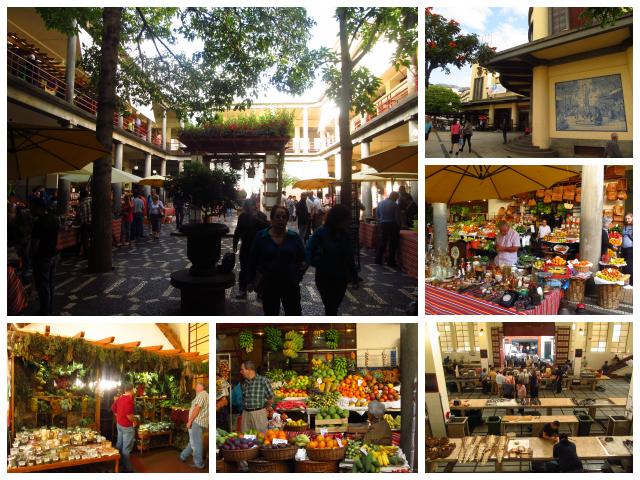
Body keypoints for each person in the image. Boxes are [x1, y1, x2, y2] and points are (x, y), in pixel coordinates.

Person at [248, 205, 306, 315]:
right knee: (271, 314)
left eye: (284, 217)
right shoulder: (261, 236)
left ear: (287, 220)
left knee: (294, 313)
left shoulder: (294, 237)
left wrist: (297, 276)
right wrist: (250, 280)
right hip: (269, 285)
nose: (281, 219)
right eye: (277, 216)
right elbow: (252, 259)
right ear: (271, 218)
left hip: (290, 285)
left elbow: (302, 260)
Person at [306, 204, 359, 315]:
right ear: (339, 219)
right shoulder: (321, 232)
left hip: (341, 277)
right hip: (324, 276)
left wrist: (354, 276)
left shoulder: (345, 234)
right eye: (347, 219)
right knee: (330, 305)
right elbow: (308, 251)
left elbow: (350, 257)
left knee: (334, 305)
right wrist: (317, 262)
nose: (349, 222)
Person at [233, 199, 269, 299]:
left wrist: (256, 219)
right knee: (244, 268)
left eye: (249, 206)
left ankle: (260, 290)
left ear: (254, 206)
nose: (247, 208)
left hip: (259, 248)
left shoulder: (261, 215)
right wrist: (235, 243)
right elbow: (238, 230)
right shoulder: (242, 216)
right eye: (246, 206)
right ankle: (242, 289)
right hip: (246, 246)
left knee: (259, 269)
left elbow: (267, 227)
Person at [30, 197, 59, 315]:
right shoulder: (54, 218)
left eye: (32, 207)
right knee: (50, 285)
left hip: (42, 257)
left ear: (39, 208)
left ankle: (45, 311)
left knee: (43, 286)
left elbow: (35, 242)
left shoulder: (39, 222)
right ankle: (49, 309)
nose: (30, 210)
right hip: (53, 255)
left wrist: (32, 255)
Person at [180, 382, 208, 469]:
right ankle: (183, 456)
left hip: (197, 422)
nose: (195, 388)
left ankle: (198, 464)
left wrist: (190, 421)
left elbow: (197, 408)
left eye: (196, 386)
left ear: (200, 387)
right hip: (202, 422)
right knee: (193, 441)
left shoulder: (201, 395)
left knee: (197, 443)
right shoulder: (206, 395)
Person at [239, 361, 274, 432]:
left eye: (242, 369)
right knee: (245, 438)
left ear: (249, 370)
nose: (241, 372)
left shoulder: (263, 381)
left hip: (259, 413)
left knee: (261, 437)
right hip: (246, 413)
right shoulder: (244, 383)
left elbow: (270, 399)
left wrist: (263, 409)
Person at [112, 383, 136, 473]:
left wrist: (118, 416)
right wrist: (135, 421)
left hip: (119, 425)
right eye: (133, 390)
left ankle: (118, 463)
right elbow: (129, 416)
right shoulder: (129, 400)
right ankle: (128, 469)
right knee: (126, 449)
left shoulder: (120, 397)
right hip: (127, 426)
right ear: (131, 390)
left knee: (119, 444)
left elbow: (114, 409)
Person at [375, 192, 401, 267]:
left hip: (383, 224)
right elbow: (397, 218)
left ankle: (378, 259)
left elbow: (377, 214)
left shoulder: (381, 203)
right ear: (395, 197)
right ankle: (391, 261)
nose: (396, 199)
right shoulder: (394, 205)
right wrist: (399, 227)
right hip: (392, 224)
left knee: (383, 242)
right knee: (393, 243)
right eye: (396, 198)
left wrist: (380, 221)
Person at [77, 189, 91, 258]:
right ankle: (93, 252)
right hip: (93, 223)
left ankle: (86, 254)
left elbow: (78, 215)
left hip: (85, 224)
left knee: (85, 239)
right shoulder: (93, 201)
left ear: (82, 195)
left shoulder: (81, 204)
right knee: (93, 238)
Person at [622, 213, 633, 284]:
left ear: (632, 218)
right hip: (623, 249)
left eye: (628, 218)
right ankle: (624, 281)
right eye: (626, 218)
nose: (627, 220)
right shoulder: (624, 226)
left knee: (629, 265)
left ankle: (631, 282)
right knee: (624, 265)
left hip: (631, 248)